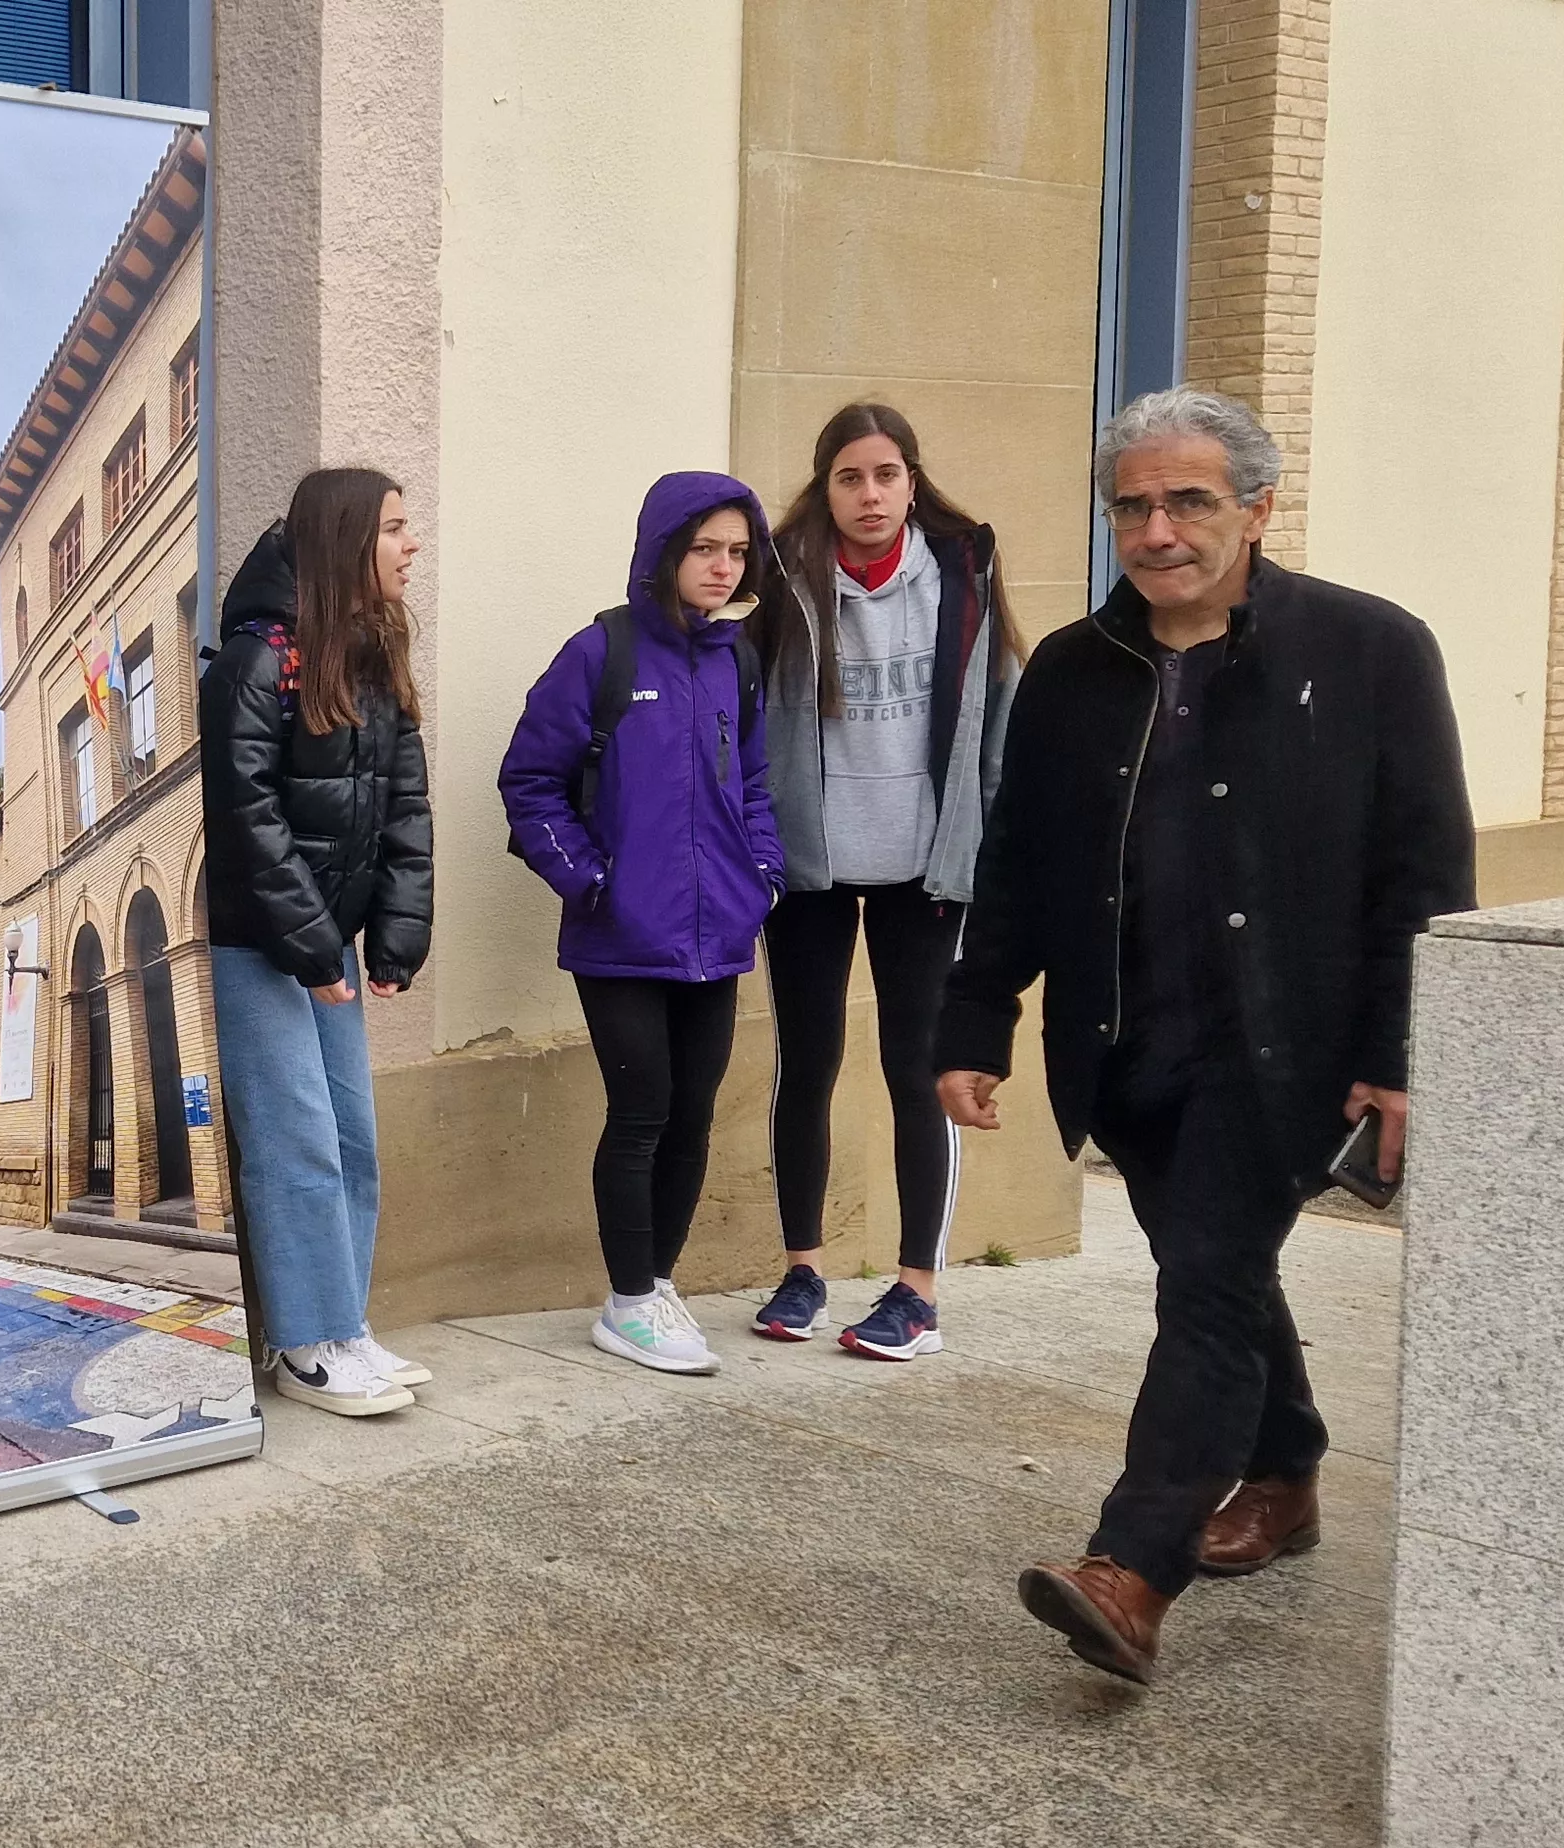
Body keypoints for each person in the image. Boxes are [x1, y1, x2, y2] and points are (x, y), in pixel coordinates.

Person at [938, 386, 1471, 1684]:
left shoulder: (1371, 653)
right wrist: (976, 1022)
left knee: (1211, 1286)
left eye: (1189, 500)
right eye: (1134, 502)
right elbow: (1017, 863)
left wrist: (1401, 1057)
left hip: (1286, 1047)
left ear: (1258, 507)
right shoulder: (1072, 669)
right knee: (1219, 1279)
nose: (1158, 528)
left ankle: (1131, 1569)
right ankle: (1285, 1478)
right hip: (1131, 1048)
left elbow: (1424, 872)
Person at [498, 472, 789, 1377]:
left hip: (719, 934)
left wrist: (764, 875)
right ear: (665, 551)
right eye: (706, 548)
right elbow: (529, 781)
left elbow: (751, 786)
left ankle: (656, 1284)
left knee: (694, 1118)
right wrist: (588, 879)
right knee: (642, 1114)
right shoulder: (601, 652)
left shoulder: (735, 659)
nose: (723, 566)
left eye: (738, 551)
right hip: (621, 933)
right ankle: (627, 1302)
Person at [752, 404, 1021, 1358]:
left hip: (924, 872)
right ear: (824, 488)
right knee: (806, 1064)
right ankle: (803, 1267)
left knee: (918, 1069)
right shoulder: (779, 578)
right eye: (850, 478)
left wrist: (981, 856)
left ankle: (917, 1290)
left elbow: (996, 723)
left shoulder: (964, 576)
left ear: (913, 481)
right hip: (810, 871)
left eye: (887, 476)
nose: (870, 496)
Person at [201, 467, 436, 1417]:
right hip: (255, 940)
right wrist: (310, 950)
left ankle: (342, 1322)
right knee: (295, 1136)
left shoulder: (372, 658)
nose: (410, 545)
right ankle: (302, 1343)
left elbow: (404, 808)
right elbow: (246, 819)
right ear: (344, 541)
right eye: (392, 528)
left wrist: (392, 943)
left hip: (322, 942)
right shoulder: (259, 662)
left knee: (351, 1137)